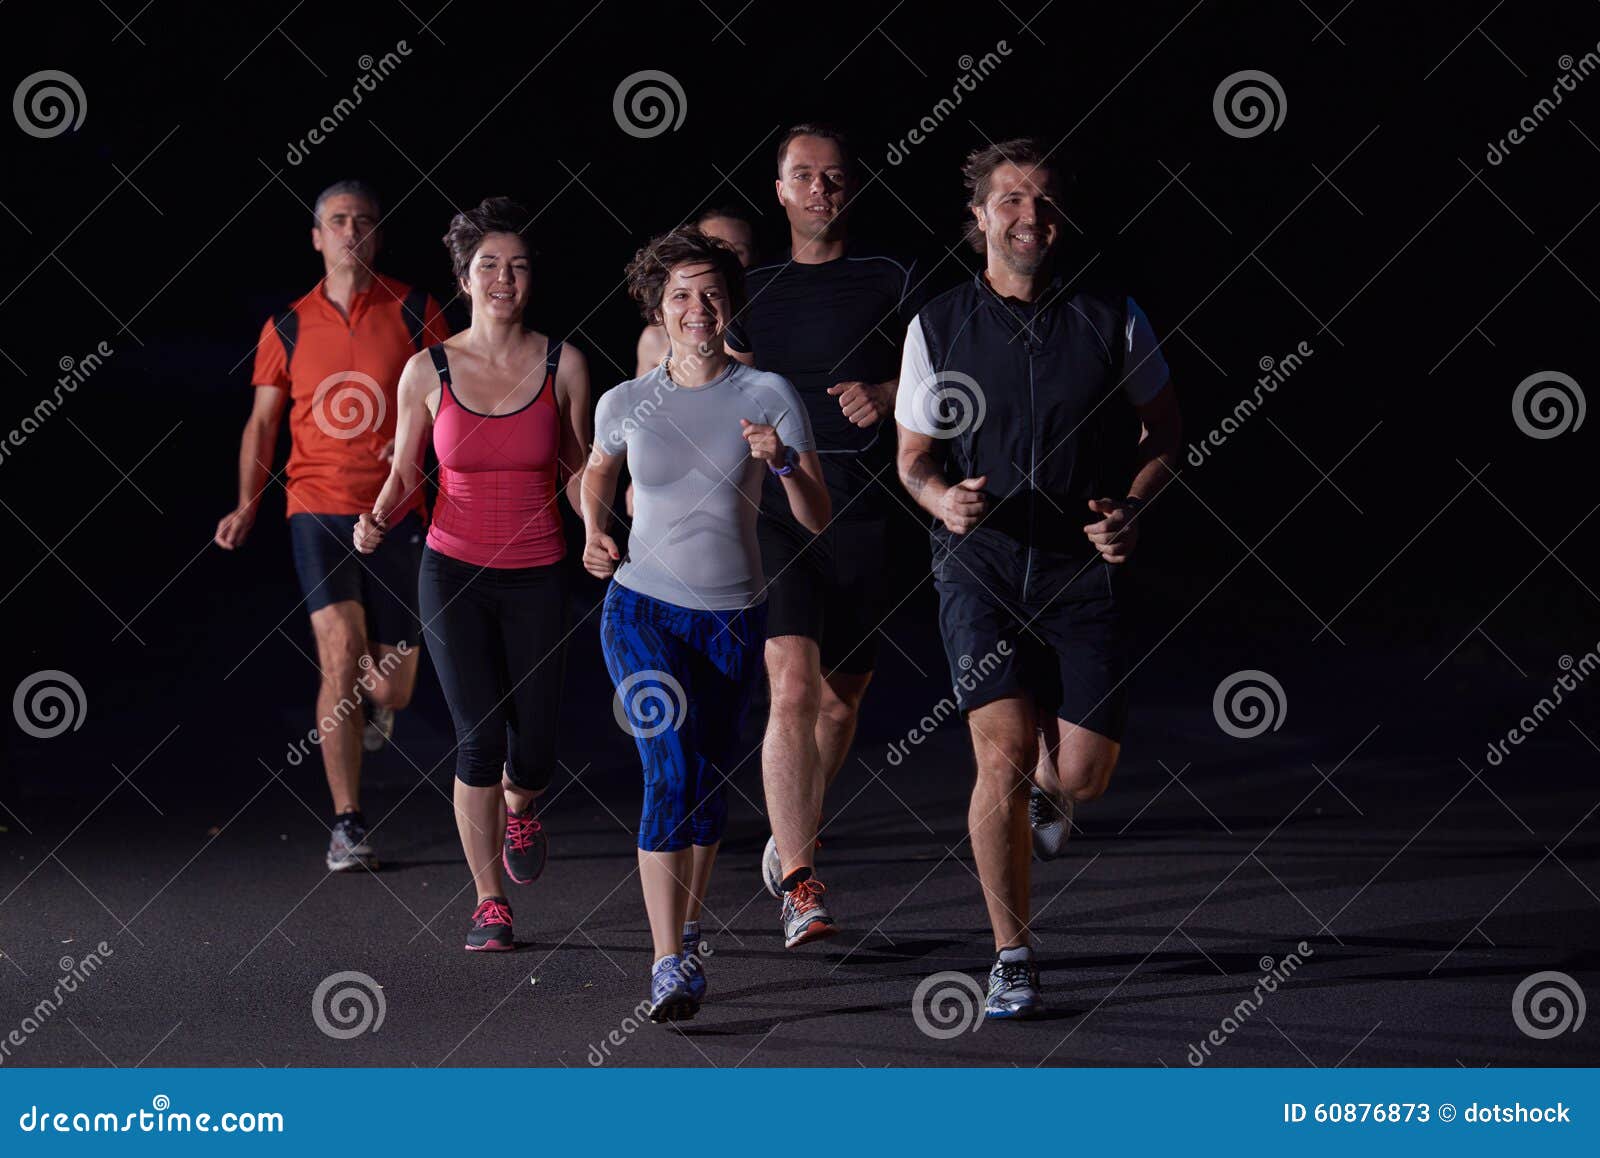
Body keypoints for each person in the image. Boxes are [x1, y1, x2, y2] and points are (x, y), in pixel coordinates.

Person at [894, 139, 1181, 1019]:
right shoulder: (937, 325)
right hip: (978, 568)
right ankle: (1012, 951)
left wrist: (1130, 509)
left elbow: (1165, 435)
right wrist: (943, 499)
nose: (1030, 218)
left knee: (1082, 776)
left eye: (1045, 203)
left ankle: (1056, 800)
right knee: (1004, 757)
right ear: (978, 217)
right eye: (1010, 201)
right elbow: (912, 460)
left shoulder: (1111, 317)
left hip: (1078, 567)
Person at [584, 226, 829, 1020]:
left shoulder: (768, 395)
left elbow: (817, 516)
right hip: (640, 609)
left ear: (732, 304)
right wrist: (593, 528)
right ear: (660, 304)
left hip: (732, 616)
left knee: (705, 786)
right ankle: (668, 963)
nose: (697, 307)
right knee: (667, 768)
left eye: (711, 293)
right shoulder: (626, 401)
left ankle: (686, 928)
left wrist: (783, 461)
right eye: (681, 293)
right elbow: (593, 477)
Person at [354, 198, 590, 951]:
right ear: (463, 278)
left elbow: (582, 468)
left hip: (542, 571)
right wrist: (378, 516)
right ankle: (490, 902)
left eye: (518, 266)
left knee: (537, 749)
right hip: (451, 568)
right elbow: (403, 473)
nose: (504, 278)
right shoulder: (428, 369)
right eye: (488, 265)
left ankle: (524, 806)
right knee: (478, 739)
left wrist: (605, 531)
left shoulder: (566, 361)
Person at [725, 124, 923, 947]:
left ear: (852, 187)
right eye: (802, 176)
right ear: (779, 190)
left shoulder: (893, 274)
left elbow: (947, 376)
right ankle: (802, 885)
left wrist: (886, 390)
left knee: (841, 703)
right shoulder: (752, 288)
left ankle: (791, 827)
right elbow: (715, 389)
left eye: (833, 176)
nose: (819, 189)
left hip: (869, 512)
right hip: (779, 511)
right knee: (793, 689)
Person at [216, 179, 449, 873]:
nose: (351, 230)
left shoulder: (415, 309)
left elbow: (450, 401)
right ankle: (348, 823)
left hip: (395, 507)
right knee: (340, 654)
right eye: (338, 221)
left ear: (378, 235)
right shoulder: (286, 325)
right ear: (317, 237)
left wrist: (412, 447)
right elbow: (262, 423)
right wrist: (247, 503)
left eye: (364, 221)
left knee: (390, 688)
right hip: (314, 504)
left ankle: (378, 710)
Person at [634, 207, 757, 377]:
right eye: (714, 246)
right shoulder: (654, 338)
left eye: (737, 252)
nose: (722, 259)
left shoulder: (755, 328)